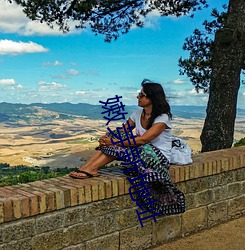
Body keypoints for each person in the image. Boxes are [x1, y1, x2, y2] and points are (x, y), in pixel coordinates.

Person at [69, 79, 185, 215]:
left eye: (142, 95)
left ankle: (92, 168)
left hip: (158, 158)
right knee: (114, 138)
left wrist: (114, 141)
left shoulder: (162, 117)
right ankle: (87, 167)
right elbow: (123, 131)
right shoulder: (137, 114)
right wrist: (107, 138)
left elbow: (144, 139)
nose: (138, 97)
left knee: (118, 144)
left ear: (152, 98)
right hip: (142, 151)